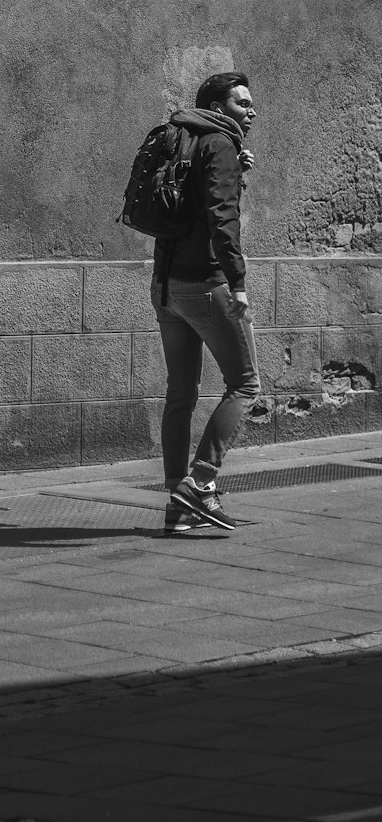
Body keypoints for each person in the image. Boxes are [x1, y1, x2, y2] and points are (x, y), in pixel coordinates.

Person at [153, 72, 260, 533]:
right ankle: (201, 482)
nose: (251, 111)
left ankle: (177, 506)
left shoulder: (181, 136)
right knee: (246, 384)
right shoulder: (218, 144)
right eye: (242, 104)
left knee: (181, 394)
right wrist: (237, 283)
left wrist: (237, 171)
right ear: (218, 107)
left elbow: (188, 202)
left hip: (167, 286)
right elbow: (222, 217)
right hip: (205, 284)